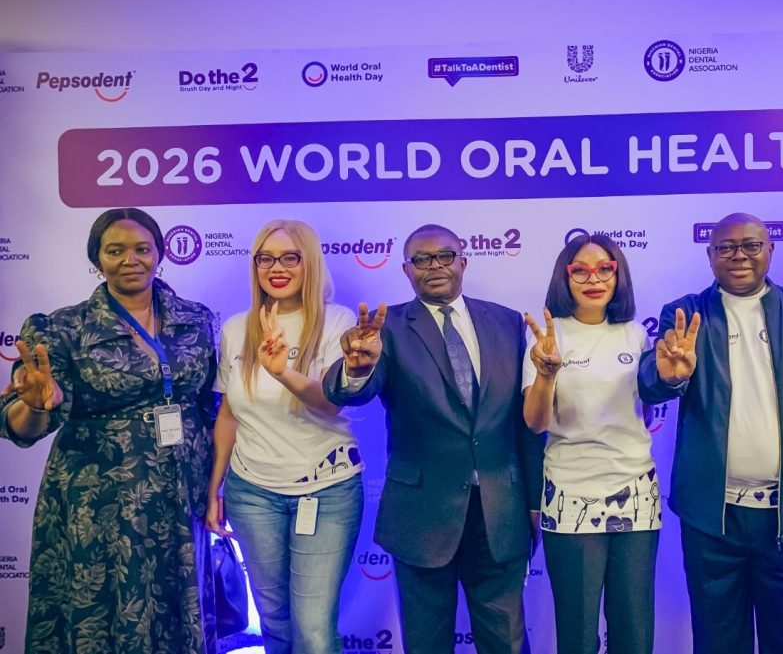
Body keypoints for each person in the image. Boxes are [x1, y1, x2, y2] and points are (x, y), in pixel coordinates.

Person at [637, 212, 783, 654]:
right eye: (726, 247)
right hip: (712, 521)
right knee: (718, 643)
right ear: (710, 255)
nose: (739, 255)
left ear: (770, 250)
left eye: (751, 245)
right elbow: (652, 382)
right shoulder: (685, 314)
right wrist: (668, 376)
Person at [0, 208, 219, 653]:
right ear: (96, 259)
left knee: (175, 611)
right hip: (98, 502)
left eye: (142, 249)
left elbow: (211, 408)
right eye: (115, 251)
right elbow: (24, 427)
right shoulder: (61, 328)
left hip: (180, 495)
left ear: (160, 254)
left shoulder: (196, 319)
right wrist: (36, 403)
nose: (130, 260)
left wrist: (217, 486)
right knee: (100, 612)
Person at [322, 223, 543, 654]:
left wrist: (533, 500)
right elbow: (352, 391)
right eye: (421, 259)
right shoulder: (386, 329)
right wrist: (356, 368)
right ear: (406, 270)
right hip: (421, 516)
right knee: (426, 643)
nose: (434, 266)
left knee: (507, 642)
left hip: (499, 513)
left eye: (445, 256)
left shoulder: (507, 321)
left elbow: (524, 424)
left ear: (464, 261)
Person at [205, 219, 363, 654]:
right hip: (252, 494)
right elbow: (228, 415)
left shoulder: (337, 321)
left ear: (309, 262)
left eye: (290, 257)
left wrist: (282, 372)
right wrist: (215, 488)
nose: (277, 268)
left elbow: (330, 403)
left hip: (326, 490)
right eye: (266, 258)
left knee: (313, 631)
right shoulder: (236, 328)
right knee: (274, 622)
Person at [522, 233, 661, 654]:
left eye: (604, 269)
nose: (593, 279)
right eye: (580, 271)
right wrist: (546, 374)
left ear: (618, 275)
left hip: (635, 492)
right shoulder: (547, 338)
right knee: (578, 634)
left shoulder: (636, 335)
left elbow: (646, 411)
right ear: (565, 278)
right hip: (570, 493)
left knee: (634, 632)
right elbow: (535, 423)